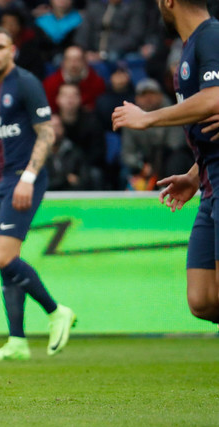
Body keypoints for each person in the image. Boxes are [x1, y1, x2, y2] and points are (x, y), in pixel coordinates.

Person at [0, 26, 77, 362]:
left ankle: (57, 311)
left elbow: (47, 134)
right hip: (0, 183)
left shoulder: (26, 83)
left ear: (12, 50)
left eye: (0, 46)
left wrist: (28, 177)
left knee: (3, 256)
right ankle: (16, 341)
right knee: (5, 265)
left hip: (22, 179)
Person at [112, 0, 219, 323]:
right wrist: (193, 173)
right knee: (202, 299)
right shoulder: (191, 45)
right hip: (208, 179)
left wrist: (148, 118)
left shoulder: (210, 35)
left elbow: (213, 97)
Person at [43, 46, 107, 113]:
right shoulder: (50, 84)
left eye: (77, 60)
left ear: (85, 61)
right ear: (63, 62)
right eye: (69, 60)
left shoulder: (97, 83)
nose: (73, 65)